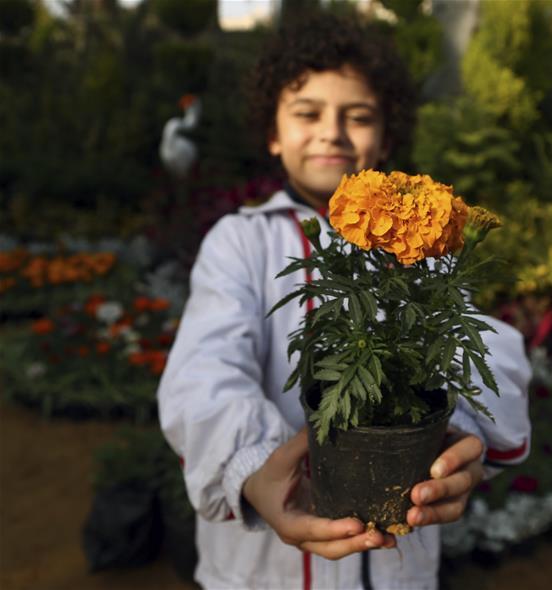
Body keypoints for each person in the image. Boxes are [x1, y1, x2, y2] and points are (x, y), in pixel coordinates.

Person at [157, 11, 531, 590]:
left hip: (396, 563)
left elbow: (484, 347)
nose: (332, 132)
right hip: (259, 576)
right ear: (273, 132)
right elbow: (202, 372)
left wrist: (460, 434)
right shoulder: (241, 241)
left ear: (384, 138)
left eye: (357, 117)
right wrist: (253, 470)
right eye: (307, 114)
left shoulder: (421, 244)